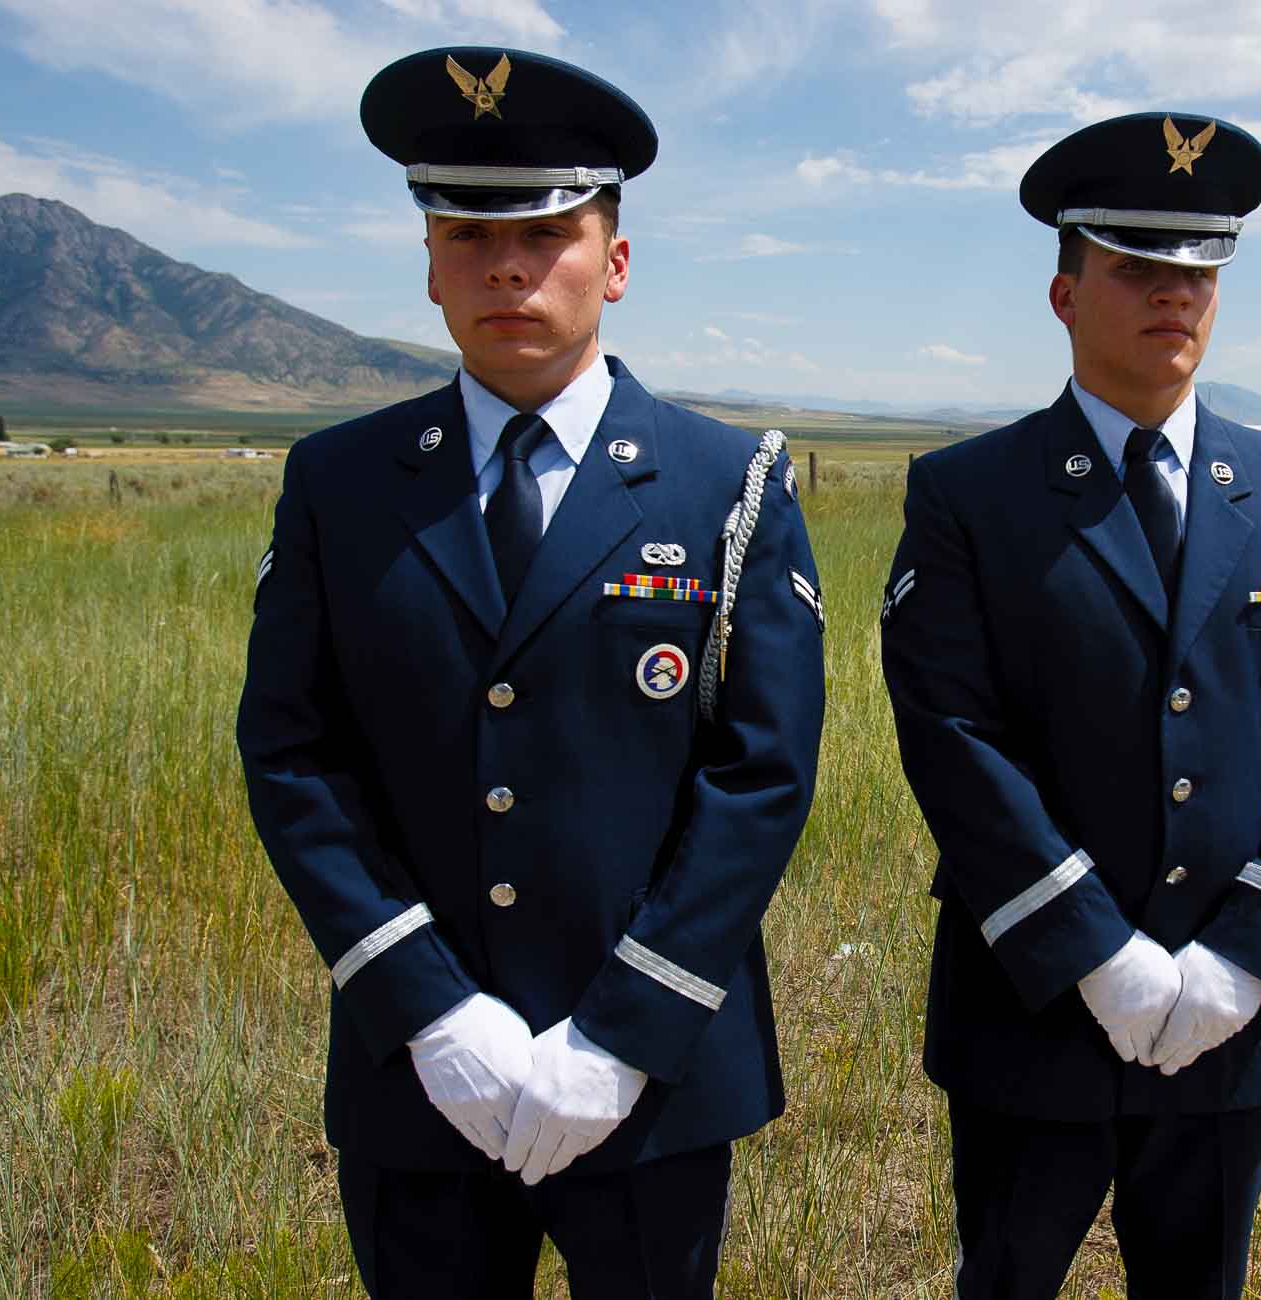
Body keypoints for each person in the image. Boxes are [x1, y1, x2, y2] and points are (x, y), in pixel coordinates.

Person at [236, 46, 824, 1299]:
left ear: (614, 260)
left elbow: (761, 775)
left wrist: (622, 1033)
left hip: (652, 1081)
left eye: (551, 229)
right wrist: (429, 1010)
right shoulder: (340, 484)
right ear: (432, 262)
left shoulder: (730, 483)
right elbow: (294, 756)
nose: (508, 264)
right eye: (467, 231)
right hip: (419, 1074)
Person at [879, 112, 1261, 1298]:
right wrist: (1098, 956)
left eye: (1198, 270)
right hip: (1037, 1005)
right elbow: (952, 736)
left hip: (1231, 1007)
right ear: (1064, 294)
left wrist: (1242, 957)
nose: (1174, 294)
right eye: (1138, 268)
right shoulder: (970, 495)